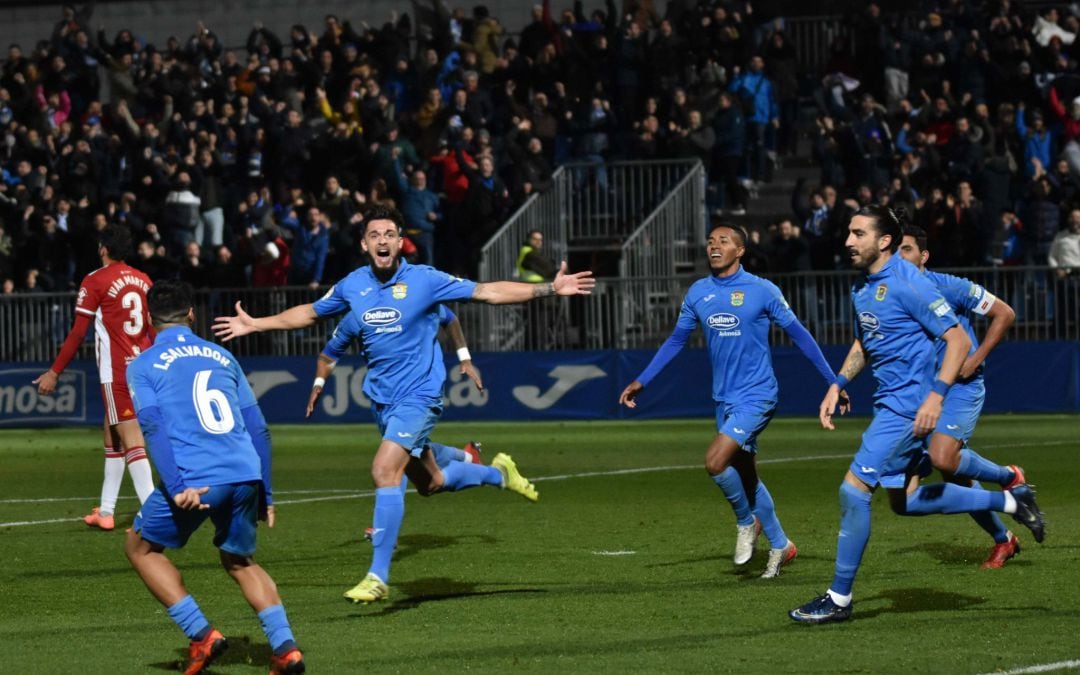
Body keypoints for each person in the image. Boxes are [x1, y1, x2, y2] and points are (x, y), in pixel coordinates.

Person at [213, 204, 595, 603]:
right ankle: (498, 472)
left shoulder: (425, 280)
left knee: (383, 470)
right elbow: (309, 314)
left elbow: (486, 292)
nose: (382, 240)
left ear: (400, 242)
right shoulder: (352, 286)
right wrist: (257, 322)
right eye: (375, 234)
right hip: (383, 403)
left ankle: (377, 576)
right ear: (364, 244)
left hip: (420, 397)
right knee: (431, 482)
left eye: (389, 234)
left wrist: (548, 288)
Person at [790, 206, 1045, 624]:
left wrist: (935, 397)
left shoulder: (914, 285)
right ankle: (1009, 500)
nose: (847, 241)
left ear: (883, 241)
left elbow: (959, 340)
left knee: (853, 490)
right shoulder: (863, 287)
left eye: (857, 233)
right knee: (903, 503)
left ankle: (838, 599)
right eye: (848, 233)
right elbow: (865, 343)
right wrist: (838, 383)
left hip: (907, 407)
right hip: (892, 401)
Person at [618, 223, 839, 578]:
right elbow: (676, 341)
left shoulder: (762, 290)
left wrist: (834, 380)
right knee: (747, 474)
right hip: (724, 398)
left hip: (758, 394)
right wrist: (643, 379)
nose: (714, 246)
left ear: (740, 250)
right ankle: (782, 546)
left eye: (723, 241)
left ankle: (746, 522)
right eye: (709, 241)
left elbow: (800, 335)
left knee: (715, 461)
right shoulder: (699, 292)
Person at [124, 280, 304, 674]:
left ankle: (202, 635)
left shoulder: (142, 365)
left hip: (197, 478)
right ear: (192, 314)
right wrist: (266, 492)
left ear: (150, 322)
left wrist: (176, 487)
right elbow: (259, 428)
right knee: (240, 560)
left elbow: (152, 428)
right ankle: (286, 648)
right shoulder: (223, 356)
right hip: (244, 473)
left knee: (140, 548)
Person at [898, 224, 1027, 569]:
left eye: (907, 249)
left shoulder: (949, 286)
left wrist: (975, 358)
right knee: (927, 487)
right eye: (895, 250)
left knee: (943, 457)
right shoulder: (893, 294)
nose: (900, 257)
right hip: (921, 395)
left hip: (960, 387)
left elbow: (1005, 313)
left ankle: (1008, 476)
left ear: (923, 256)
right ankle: (1004, 540)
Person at [34, 225, 156, 530]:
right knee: (111, 433)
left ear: (103, 248)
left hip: (116, 371)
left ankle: (155, 516)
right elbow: (152, 329)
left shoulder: (95, 280)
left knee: (131, 439)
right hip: (143, 367)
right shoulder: (143, 279)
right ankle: (105, 511)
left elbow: (78, 332)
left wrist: (54, 371)